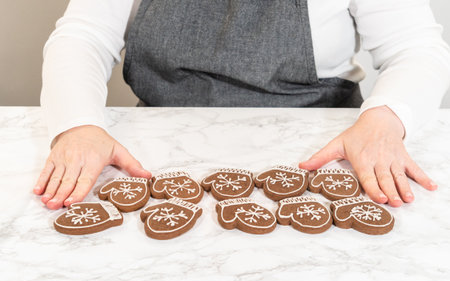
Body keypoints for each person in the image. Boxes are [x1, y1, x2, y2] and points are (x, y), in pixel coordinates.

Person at [34, 0, 450, 210]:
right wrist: (78, 125)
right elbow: (83, 36)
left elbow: (417, 47)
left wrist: (386, 119)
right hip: (159, 155)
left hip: (324, 154)